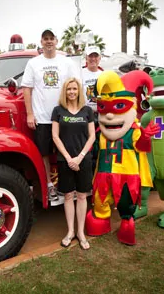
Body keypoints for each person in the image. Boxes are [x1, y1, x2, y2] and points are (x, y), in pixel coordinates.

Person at [21, 28, 79, 201]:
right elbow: (26, 89)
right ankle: (49, 186)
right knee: (44, 154)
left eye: (51, 38)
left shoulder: (66, 62)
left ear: (56, 41)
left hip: (64, 116)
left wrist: (73, 111)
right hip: (42, 117)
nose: (48, 41)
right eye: (45, 38)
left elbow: (74, 86)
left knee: (65, 152)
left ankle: (67, 186)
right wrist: (30, 114)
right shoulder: (33, 63)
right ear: (41, 42)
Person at [51, 77, 96, 250]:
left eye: (74, 89)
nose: (71, 92)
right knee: (68, 196)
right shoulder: (58, 111)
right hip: (65, 160)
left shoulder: (87, 111)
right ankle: (70, 232)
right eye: (69, 89)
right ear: (65, 91)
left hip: (83, 159)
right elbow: (55, 136)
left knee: (82, 195)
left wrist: (80, 156)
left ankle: (81, 233)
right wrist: (69, 158)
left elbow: (92, 135)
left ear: (79, 91)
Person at [81, 45, 102, 112]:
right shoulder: (79, 73)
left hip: (100, 112)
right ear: (86, 58)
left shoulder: (103, 74)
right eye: (90, 56)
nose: (93, 59)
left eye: (95, 56)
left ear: (100, 58)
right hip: (84, 112)